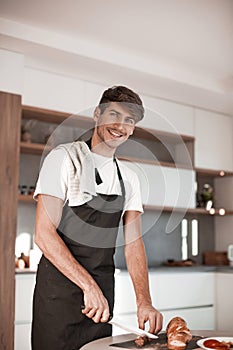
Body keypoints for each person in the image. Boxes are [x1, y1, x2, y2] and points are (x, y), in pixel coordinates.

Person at [31, 85, 163, 350]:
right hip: (59, 294)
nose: (120, 126)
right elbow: (43, 234)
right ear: (97, 114)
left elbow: (134, 244)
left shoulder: (130, 178)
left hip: (102, 297)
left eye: (129, 121)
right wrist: (87, 287)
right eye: (114, 115)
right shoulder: (63, 159)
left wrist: (144, 301)